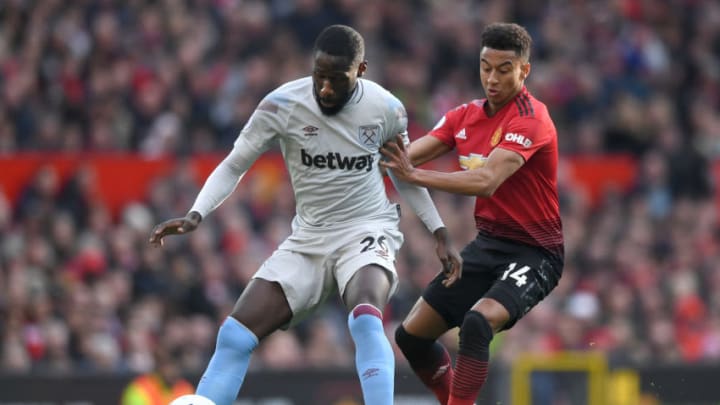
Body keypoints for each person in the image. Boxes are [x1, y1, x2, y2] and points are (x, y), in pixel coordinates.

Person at [148, 24, 461, 405]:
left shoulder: (386, 109)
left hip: (367, 228)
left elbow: (404, 174)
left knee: (365, 315)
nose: (326, 89)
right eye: (319, 77)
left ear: (360, 71)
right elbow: (235, 164)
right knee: (234, 334)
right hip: (309, 237)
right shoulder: (281, 105)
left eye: (337, 80)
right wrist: (197, 213)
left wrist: (438, 229)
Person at [380, 22, 564, 405]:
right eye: (485, 67)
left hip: (535, 251)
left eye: (503, 69)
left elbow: (487, 181)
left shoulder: (532, 118)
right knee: (410, 336)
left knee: (478, 322)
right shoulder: (463, 116)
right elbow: (401, 159)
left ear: (524, 70)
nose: (491, 78)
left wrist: (416, 176)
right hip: (488, 245)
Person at [120, 348, 194, 405]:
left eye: (177, 366)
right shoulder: (139, 389)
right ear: (159, 365)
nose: (173, 371)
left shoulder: (186, 390)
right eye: (169, 366)